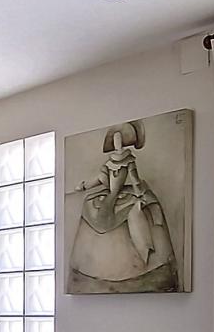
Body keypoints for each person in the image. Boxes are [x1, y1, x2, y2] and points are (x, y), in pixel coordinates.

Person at [67, 121, 177, 292]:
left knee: (139, 210)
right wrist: (83, 186)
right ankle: (89, 269)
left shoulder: (128, 161)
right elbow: (99, 179)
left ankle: (147, 264)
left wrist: (139, 193)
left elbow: (134, 179)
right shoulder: (109, 164)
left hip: (124, 192)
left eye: (120, 140)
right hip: (110, 194)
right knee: (91, 205)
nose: (118, 144)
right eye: (116, 140)